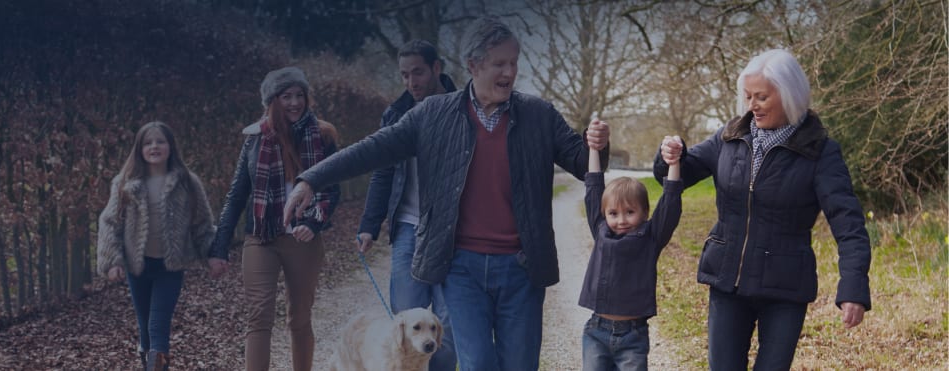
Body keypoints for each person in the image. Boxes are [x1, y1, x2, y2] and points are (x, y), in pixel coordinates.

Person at [284, 17, 611, 371]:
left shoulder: (539, 114)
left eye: (513, 62)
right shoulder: (433, 114)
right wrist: (312, 179)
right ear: (473, 65)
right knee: (478, 363)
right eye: (499, 63)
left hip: (521, 266)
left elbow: (583, 162)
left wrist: (598, 144)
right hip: (461, 268)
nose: (510, 71)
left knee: (519, 364)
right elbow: (373, 149)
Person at [653, 48, 871, 370]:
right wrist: (670, 155)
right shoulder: (729, 137)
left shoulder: (820, 152)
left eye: (761, 97)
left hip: (784, 289)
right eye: (748, 96)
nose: (751, 105)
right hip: (727, 281)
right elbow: (676, 175)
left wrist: (853, 287)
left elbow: (848, 223)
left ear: (789, 96)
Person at [207, 66, 340, 371]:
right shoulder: (255, 140)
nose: (294, 103)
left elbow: (332, 190)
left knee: (300, 317)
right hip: (261, 237)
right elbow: (237, 195)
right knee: (260, 315)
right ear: (272, 101)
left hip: (302, 238)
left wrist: (313, 223)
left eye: (299, 95)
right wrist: (219, 247)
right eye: (285, 96)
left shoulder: (323, 136)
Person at [356, 39, 458, 371]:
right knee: (405, 321)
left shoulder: (463, 109)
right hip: (407, 229)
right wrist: (369, 225)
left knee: (449, 323)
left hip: (451, 232)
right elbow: (382, 172)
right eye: (404, 75)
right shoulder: (395, 114)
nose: (411, 82)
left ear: (436, 69)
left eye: (418, 72)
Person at [96, 121, 217, 371]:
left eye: (160, 141)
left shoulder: (187, 183)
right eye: (148, 142)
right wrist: (112, 261)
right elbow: (110, 223)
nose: (154, 147)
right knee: (145, 328)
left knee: (158, 325)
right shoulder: (125, 183)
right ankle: (147, 361)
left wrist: (213, 255)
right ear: (139, 149)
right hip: (137, 267)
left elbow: (202, 223)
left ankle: (157, 366)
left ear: (170, 146)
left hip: (170, 267)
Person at [579, 129, 683, 371]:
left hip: (633, 337)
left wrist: (674, 163)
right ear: (605, 214)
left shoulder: (650, 238)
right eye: (613, 213)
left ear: (644, 213)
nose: (621, 220)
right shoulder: (601, 231)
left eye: (630, 212)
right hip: (596, 332)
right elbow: (594, 186)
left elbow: (670, 203)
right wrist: (594, 148)